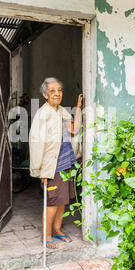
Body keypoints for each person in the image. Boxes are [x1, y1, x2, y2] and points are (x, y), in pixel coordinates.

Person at [29, 77, 83, 249]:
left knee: (62, 201)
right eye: (52, 91)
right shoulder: (43, 115)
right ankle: (46, 236)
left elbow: (73, 129)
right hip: (52, 167)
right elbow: (36, 142)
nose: (57, 93)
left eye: (59, 90)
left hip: (66, 163)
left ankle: (58, 230)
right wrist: (41, 171)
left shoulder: (61, 111)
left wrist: (79, 108)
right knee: (52, 202)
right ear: (45, 94)